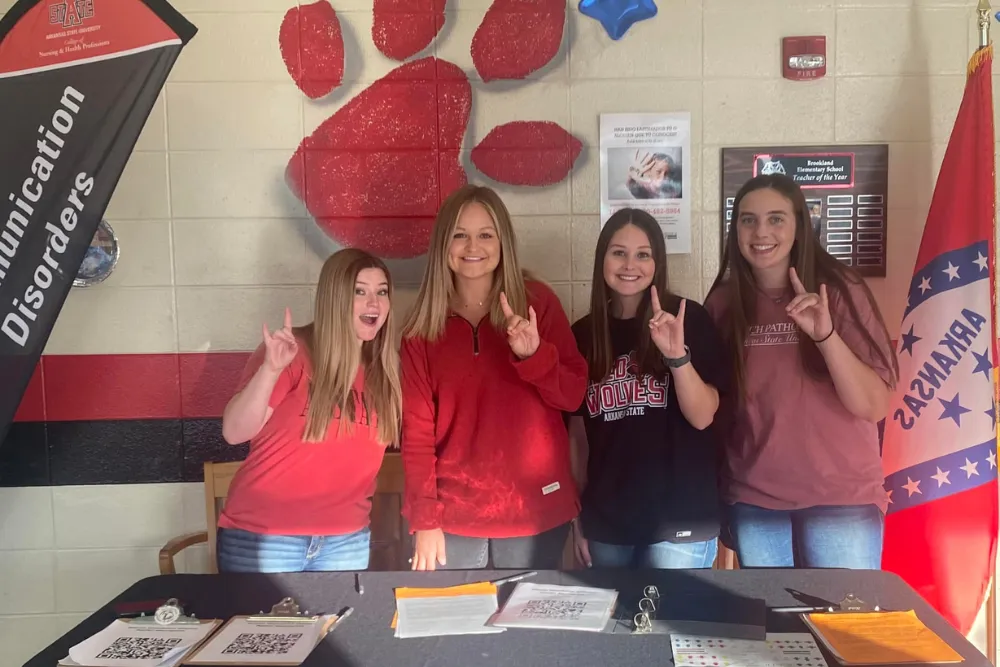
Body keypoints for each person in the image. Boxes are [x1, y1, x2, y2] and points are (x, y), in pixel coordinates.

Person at [705, 174, 898, 569]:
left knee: (843, 631)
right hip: (756, 503)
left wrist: (825, 335)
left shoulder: (839, 291)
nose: (761, 231)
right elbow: (717, 414)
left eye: (776, 219)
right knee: (776, 631)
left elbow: (873, 405)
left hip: (841, 500)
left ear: (799, 226)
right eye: (748, 220)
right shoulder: (724, 303)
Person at [401, 184, 588, 571]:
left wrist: (535, 355)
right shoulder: (421, 327)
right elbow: (417, 435)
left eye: (486, 234)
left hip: (535, 510)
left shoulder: (538, 304)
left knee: (528, 630)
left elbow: (572, 397)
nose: (474, 246)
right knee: (457, 630)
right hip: (453, 519)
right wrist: (424, 517)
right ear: (443, 245)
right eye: (460, 235)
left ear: (503, 242)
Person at [216, 248, 402, 573]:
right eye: (360, 291)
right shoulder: (293, 351)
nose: (374, 303)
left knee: (339, 626)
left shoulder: (384, 370)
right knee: (261, 627)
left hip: (346, 541)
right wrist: (271, 370)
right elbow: (234, 432)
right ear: (334, 298)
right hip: (265, 538)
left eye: (381, 292)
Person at [568, 208, 729, 569]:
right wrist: (578, 516)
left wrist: (676, 357)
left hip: (680, 522)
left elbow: (703, 416)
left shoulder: (688, 319)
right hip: (608, 523)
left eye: (643, 254)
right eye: (618, 252)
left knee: (671, 625)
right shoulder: (582, 334)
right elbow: (577, 437)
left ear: (657, 261)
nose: (630, 264)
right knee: (617, 626)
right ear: (602, 258)